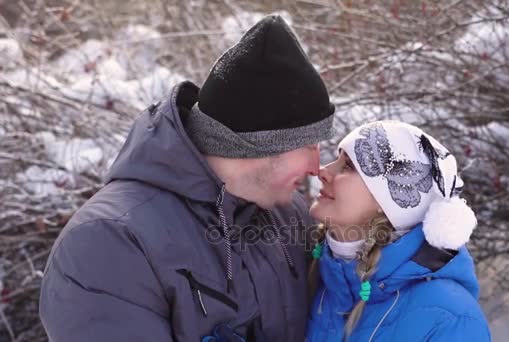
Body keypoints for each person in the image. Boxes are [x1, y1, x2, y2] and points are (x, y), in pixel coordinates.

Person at [39, 15, 335, 341]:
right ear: (256, 145)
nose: (316, 166)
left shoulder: (287, 213)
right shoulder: (107, 243)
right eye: (308, 145)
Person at [306, 121, 491, 341]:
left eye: (348, 166)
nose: (323, 171)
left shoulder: (450, 319)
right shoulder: (314, 277)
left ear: (389, 200)